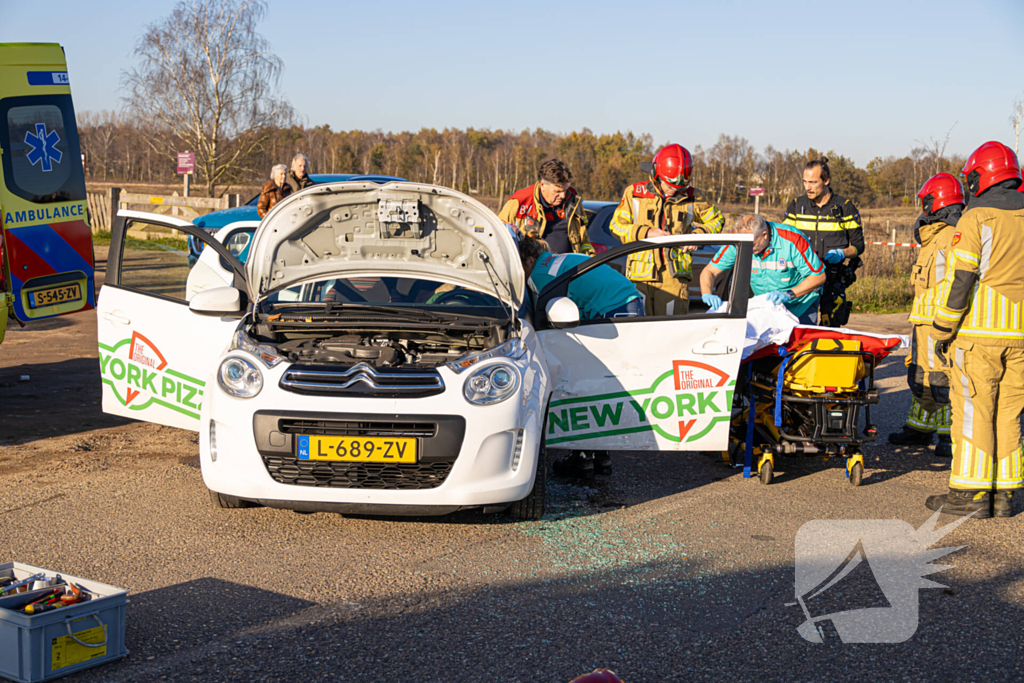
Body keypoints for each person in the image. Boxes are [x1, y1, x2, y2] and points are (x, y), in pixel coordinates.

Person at [926, 141, 1024, 518]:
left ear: (980, 177)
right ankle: (1005, 495)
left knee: (973, 410)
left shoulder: (976, 217)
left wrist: (942, 329)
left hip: (979, 334)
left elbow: (961, 279)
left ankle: (969, 494)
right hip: (1020, 336)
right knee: (1009, 413)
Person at [519, 232, 643, 479]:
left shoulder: (540, 274)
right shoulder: (560, 259)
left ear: (529, 259)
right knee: (603, 383)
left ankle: (583, 456)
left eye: (521, 266)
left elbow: (546, 319)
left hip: (611, 310)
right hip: (630, 303)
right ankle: (600, 453)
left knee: (582, 382)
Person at [887, 173, 962, 457]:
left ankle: (949, 435)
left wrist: (945, 319)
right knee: (919, 375)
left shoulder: (952, 236)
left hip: (940, 322)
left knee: (942, 379)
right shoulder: (933, 236)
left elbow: (957, 280)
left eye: (925, 201)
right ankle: (919, 428)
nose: (922, 207)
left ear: (936, 201)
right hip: (923, 321)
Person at [609, 144, 724, 316]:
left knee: (671, 328)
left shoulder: (694, 196)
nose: (675, 190)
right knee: (639, 327)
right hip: (640, 277)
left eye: (680, 187)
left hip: (675, 277)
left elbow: (717, 219)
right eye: (670, 185)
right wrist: (646, 233)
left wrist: (697, 236)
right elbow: (616, 226)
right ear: (656, 174)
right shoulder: (634, 193)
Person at [782, 157, 864, 326]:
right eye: (805, 182)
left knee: (831, 329)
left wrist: (842, 253)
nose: (807, 187)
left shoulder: (845, 207)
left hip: (833, 279)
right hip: (803, 279)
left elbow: (858, 246)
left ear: (826, 180)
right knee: (802, 329)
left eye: (813, 182)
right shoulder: (797, 206)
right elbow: (784, 240)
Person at [699, 215, 825, 324]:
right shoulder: (738, 241)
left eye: (752, 245)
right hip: (767, 308)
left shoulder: (792, 239)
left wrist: (789, 294)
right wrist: (707, 293)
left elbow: (819, 276)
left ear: (764, 235)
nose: (747, 249)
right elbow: (709, 271)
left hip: (800, 305)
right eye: (744, 245)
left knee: (799, 342)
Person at [498, 159, 593, 255]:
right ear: (543, 185)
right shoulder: (519, 203)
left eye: (565, 190)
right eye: (557, 191)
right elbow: (497, 237)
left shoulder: (573, 201)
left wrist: (590, 258)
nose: (563, 195)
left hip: (568, 263)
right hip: (530, 264)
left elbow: (583, 239)